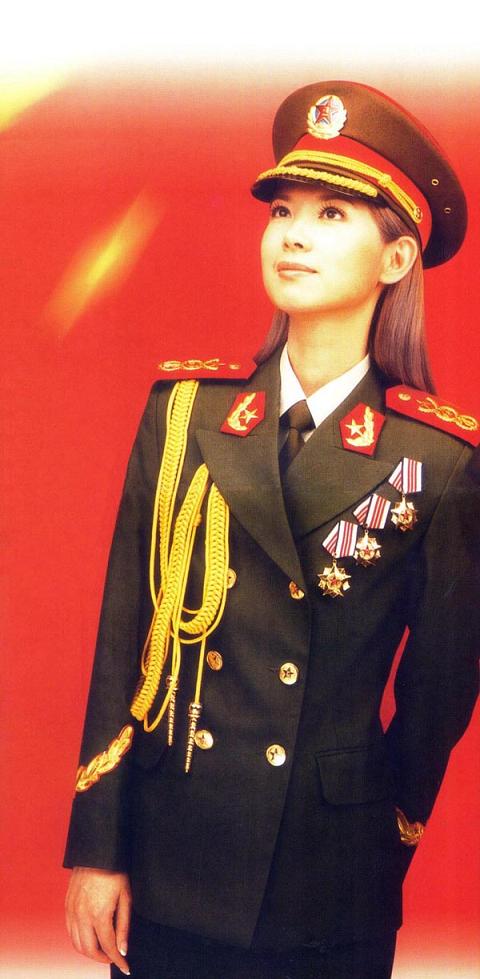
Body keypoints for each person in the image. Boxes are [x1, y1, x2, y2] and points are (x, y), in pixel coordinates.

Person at [64, 80, 480, 979]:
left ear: (398, 257)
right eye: (284, 210)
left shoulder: (437, 459)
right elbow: (123, 635)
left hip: (329, 876)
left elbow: (440, 691)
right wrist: (97, 846)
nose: (293, 234)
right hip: (173, 856)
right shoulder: (183, 412)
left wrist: (378, 831)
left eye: (331, 214)